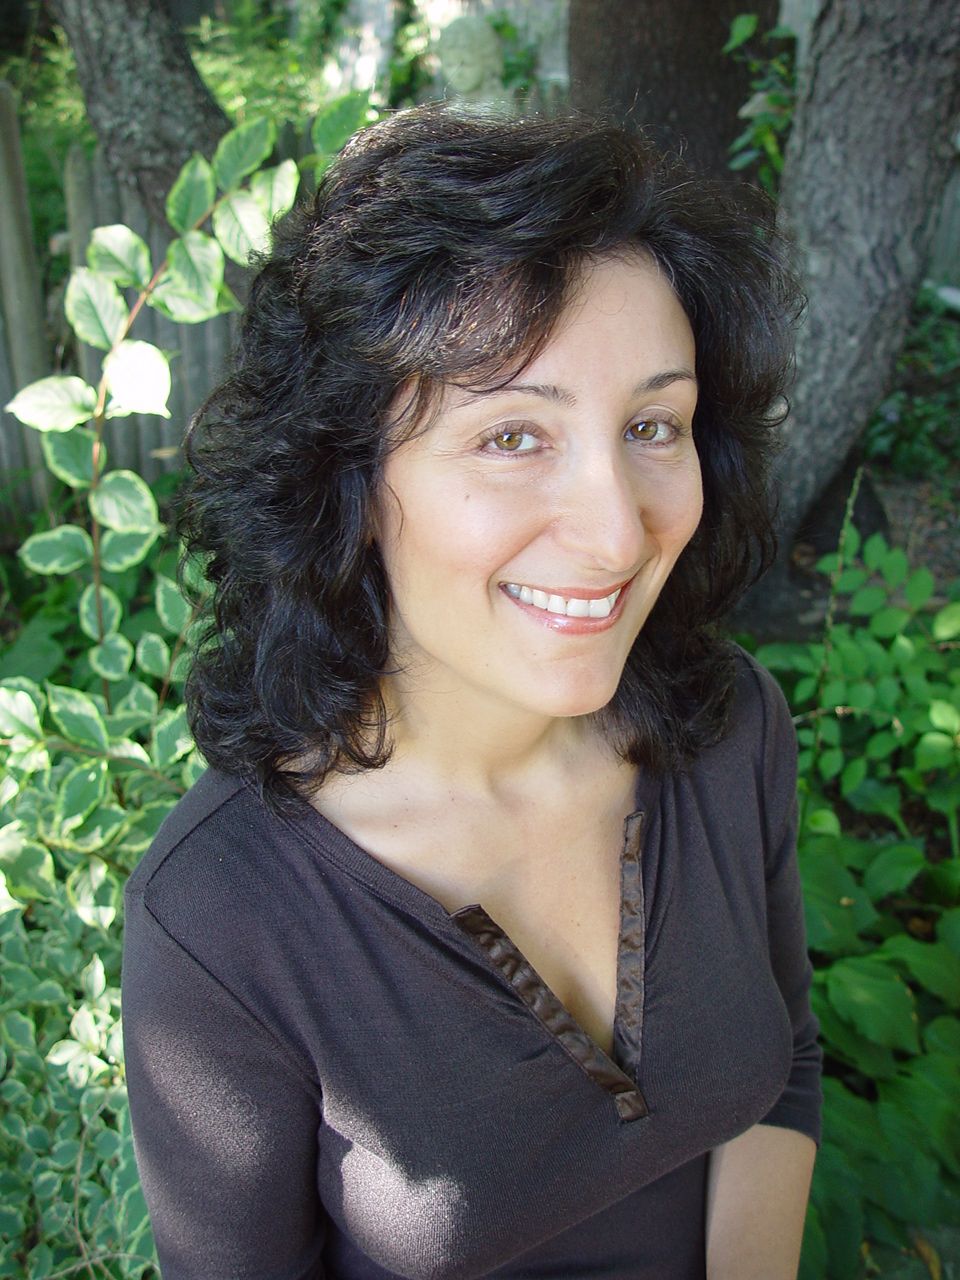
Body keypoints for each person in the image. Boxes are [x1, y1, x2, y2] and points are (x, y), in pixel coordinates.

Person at [121, 104, 821, 1280]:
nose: (617, 531)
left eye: (654, 423)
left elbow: (783, 1063)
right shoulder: (223, 918)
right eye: (512, 436)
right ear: (349, 477)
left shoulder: (730, 726)